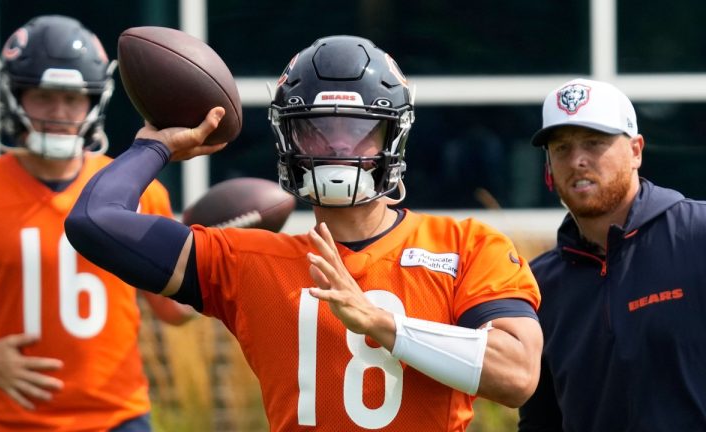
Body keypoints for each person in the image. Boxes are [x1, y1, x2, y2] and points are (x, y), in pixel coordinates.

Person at [65, 35, 543, 431]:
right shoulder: (247, 261)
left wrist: (382, 324)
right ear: (287, 140)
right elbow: (93, 221)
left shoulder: (466, 245)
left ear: (392, 137)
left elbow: (518, 374)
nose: (337, 148)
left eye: (358, 131)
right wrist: (154, 146)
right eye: (316, 131)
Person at [0, 15, 194, 432]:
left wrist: (216, 264)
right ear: (15, 96)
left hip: (119, 418)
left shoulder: (139, 189)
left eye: (74, 98)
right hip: (13, 421)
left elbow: (172, 311)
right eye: (44, 96)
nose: (59, 112)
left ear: (95, 102)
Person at [518, 78, 706, 431]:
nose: (577, 161)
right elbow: (541, 421)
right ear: (548, 167)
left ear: (636, 151)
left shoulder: (698, 235)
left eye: (595, 143)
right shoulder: (536, 284)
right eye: (561, 148)